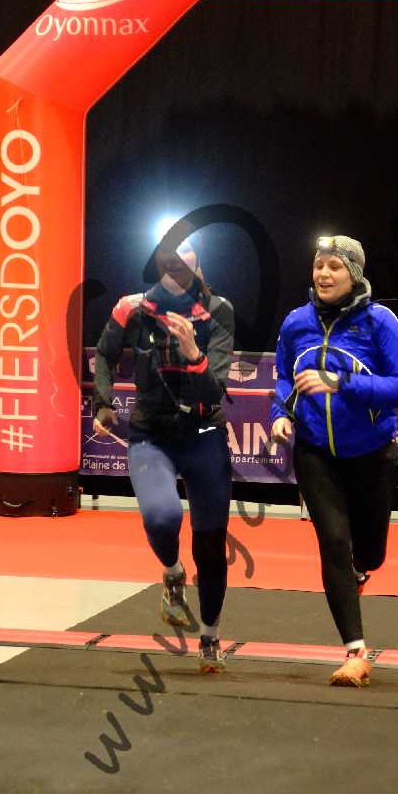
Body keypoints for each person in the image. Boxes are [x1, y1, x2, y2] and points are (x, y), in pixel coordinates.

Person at [270, 235, 398, 687]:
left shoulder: (380, 322)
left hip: (373, 456)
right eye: (319, 265)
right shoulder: (296, 322)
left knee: (370, 552)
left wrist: (341, 382)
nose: (323, 274)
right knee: (334, 543)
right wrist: (281, 414)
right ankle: (355, 652)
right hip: (315, 454)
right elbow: (284, 377)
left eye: (334, 266)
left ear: (353, 274)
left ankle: (360, 570)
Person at [93, 239, 235, 673]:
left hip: (204, 433)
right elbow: (104, 354)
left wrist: (193, 352)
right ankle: (173, 573)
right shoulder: (131, 307)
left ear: (197, 266)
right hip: (150, 433)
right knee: (161, 516)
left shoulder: (219, 311)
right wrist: (102, 402)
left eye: (185, 256)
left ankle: (209, 637)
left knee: (210, 546)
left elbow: (214, 392)